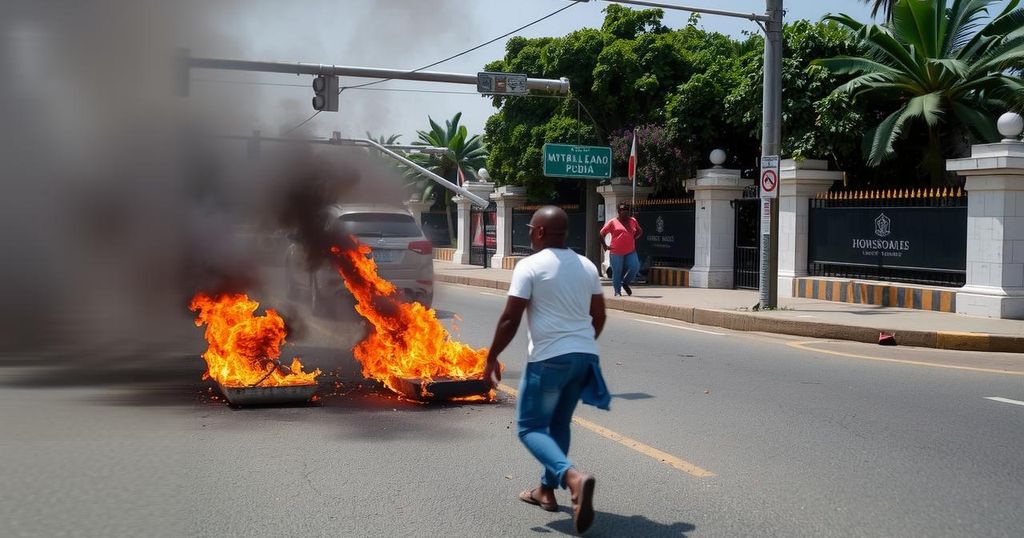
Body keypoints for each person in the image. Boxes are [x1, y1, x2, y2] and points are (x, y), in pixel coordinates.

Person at [484, 205, 609, 535]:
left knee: (529, 427)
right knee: (558, 424)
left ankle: (573, 479)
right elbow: (599, 315)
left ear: (539, 232)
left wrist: (491, 356)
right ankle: (545, 490)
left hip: (549, 360)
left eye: (530, 229)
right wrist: (579, 345)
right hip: (583, 357)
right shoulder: (586, 266)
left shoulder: (530, 266)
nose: (529, 233)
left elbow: (511, 318)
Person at [599, 203, 643, 296]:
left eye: (627, 211)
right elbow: (601, 233)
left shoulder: (633, 221)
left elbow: (639, 231)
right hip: (616, 252)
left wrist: (633, 238)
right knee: (617, 271)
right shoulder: (613, 222)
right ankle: (617, 291)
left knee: (635, 267)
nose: (625, 213)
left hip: (631, 251)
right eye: (623, 211)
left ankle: (625, 282)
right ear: (619, 211)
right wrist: (605, 246)